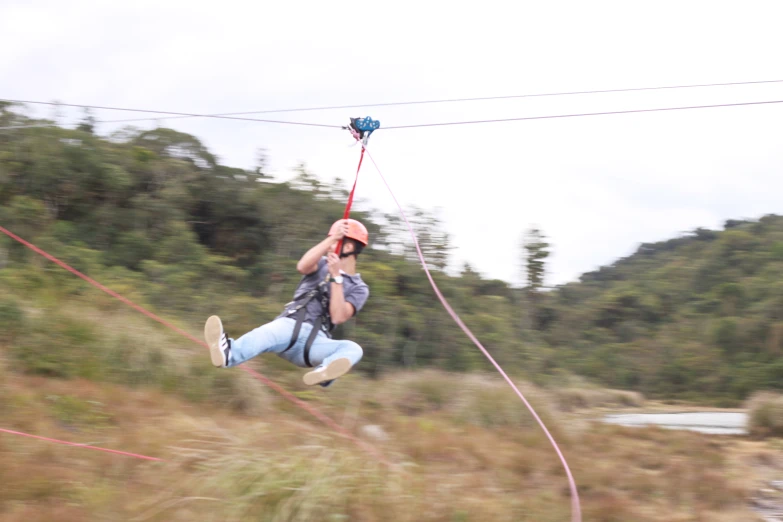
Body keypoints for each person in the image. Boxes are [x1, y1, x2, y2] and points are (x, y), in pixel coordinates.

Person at [204, 219, 370, 387]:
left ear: (348, 247)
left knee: (354, 348)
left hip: (316, 341)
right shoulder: (320, 264)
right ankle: (228, 354)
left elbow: (337, 316)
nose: (329, 246)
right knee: (263, 335)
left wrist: (336, 278)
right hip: (289, 325)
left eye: (335, 241)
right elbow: (302, 267)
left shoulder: (359, 288)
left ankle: (325, 370)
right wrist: (333, 239)